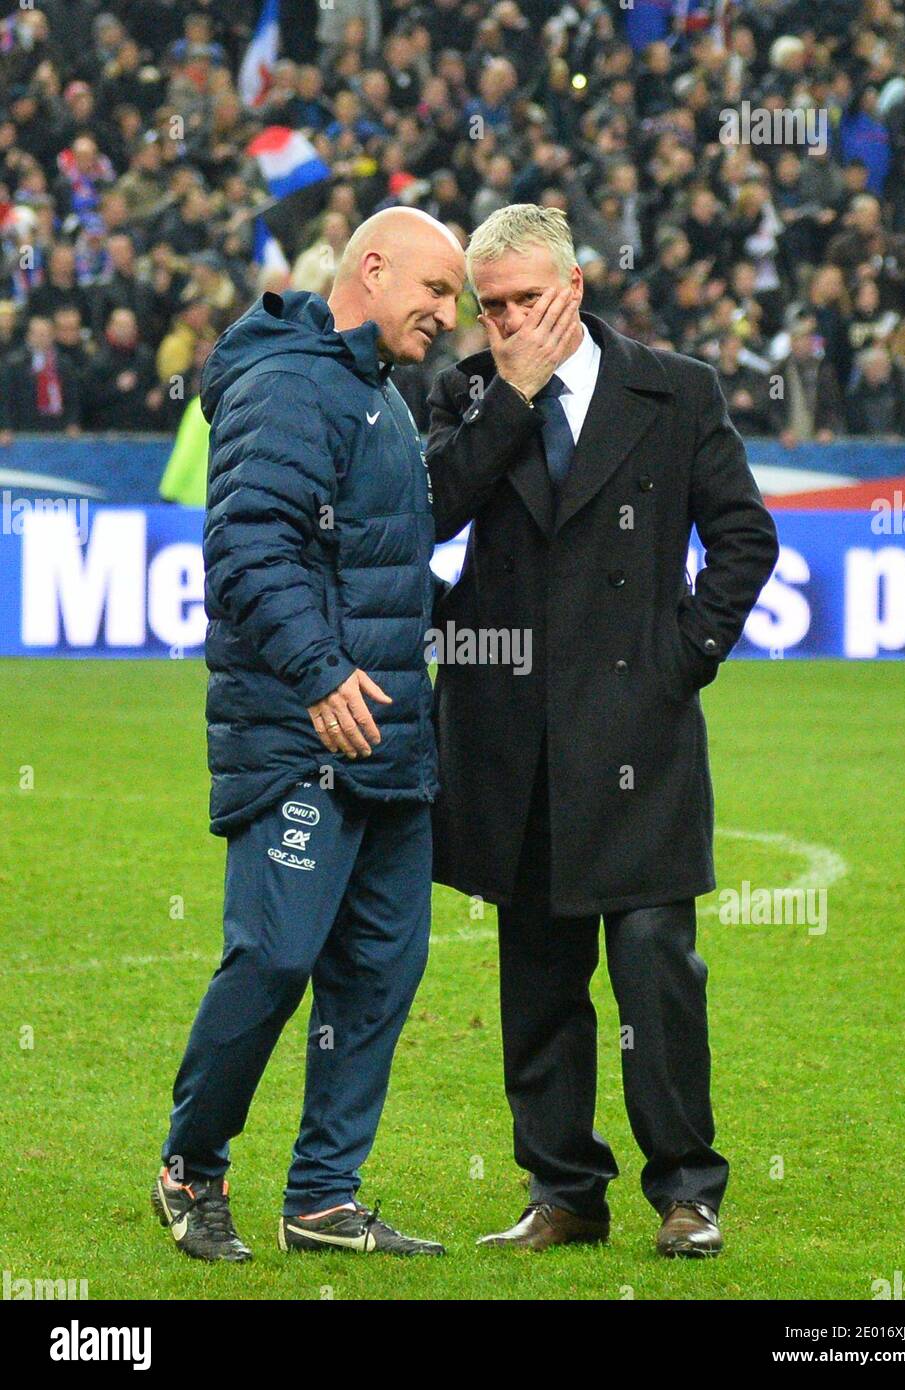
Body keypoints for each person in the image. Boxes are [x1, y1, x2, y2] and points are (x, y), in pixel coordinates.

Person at [425, 204, 779, 1256]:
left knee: (655, 967)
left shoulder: (675, 390)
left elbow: (744, 537)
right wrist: (513, 401)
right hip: (513, 737)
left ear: (574, 285)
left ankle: (686, 1190)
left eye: (526, 299)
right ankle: (564, 1190)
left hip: (638, 732)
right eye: (490, 307)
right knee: (536, 976)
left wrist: (683, 657)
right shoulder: (469, 392)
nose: (505, 322)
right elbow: (429, 512)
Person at [153, 207, 465, 1262]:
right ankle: (188, 1166)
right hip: (301, 731)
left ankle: (324, 1195)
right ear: (370, 270)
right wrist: (321, 671)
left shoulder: (375, 391)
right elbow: (246, 546)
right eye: (435, 290)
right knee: (278, 955)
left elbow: (381, 557)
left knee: (382, 967)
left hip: (387, 739)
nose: (447, 313)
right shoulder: (292, 379)